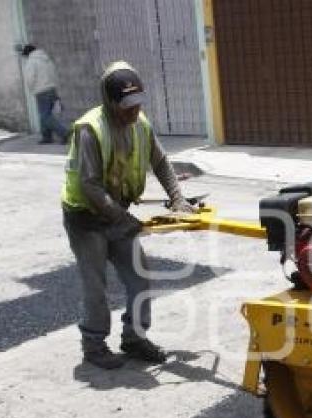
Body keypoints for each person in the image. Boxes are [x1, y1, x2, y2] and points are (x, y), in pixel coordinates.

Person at [61, 61, 196, 369]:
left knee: (140, 275)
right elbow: (90, 186)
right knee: (96, 285)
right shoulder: (90, 130)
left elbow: (161, 162)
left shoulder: (141, 125)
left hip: (117, 213)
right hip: (86, 218)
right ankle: (94, 346)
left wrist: (177, 198)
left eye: (138, 105)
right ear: (110, 102)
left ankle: (134, 339)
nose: (134, 112)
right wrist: (124, 219)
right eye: (127, 107)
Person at [21, 44, 69, 144]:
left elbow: (30, 78)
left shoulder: (31, 61)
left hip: (41, 91)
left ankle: (65, 133)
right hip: (52, 89)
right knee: (45, 114)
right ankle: (47, 137)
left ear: (27, 53)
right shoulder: (46, 59)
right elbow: (54, 73)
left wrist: (31, 89)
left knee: (45, 116)